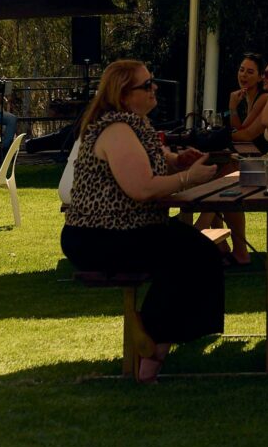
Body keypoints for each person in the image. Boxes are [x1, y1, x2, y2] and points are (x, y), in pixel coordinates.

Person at [59, 60, 231, 382]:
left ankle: (151, 337)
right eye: (146, 85)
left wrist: (179, 162)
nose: (154, 89)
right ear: (124, 95)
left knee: (198, 252)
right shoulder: (117, 130)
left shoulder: (135, 126)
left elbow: (154, 167)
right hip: (99, 236)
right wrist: (187, 178)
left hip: (127, 229)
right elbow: (140, 188)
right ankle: (151, 350)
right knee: (192, 255)